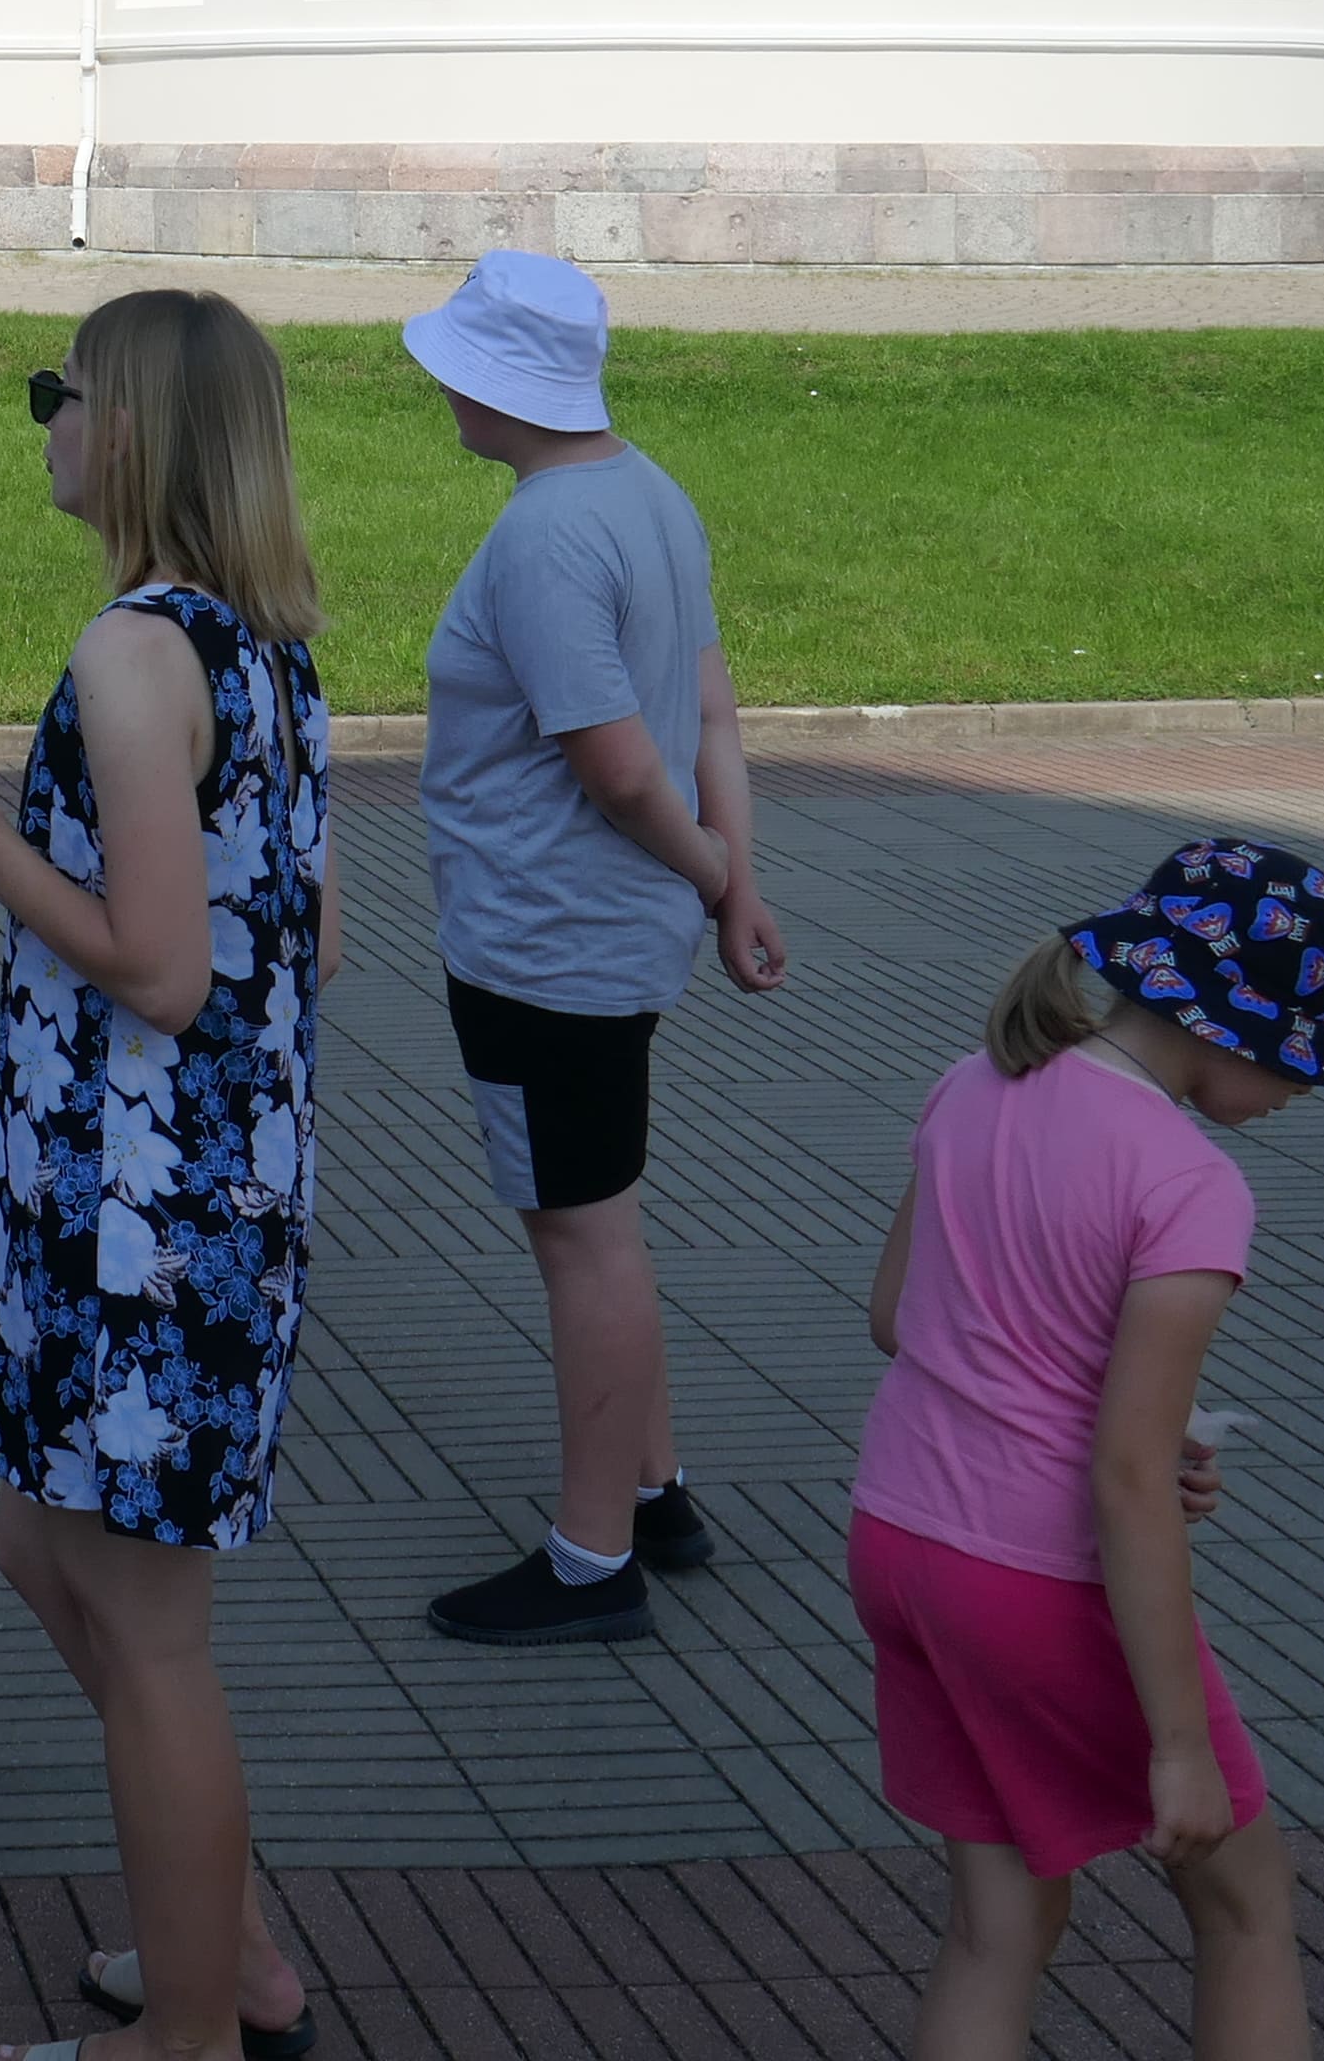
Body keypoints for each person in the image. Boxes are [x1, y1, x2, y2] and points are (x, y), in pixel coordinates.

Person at [0, 288, 329, 2061]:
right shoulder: (266, 643)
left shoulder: (140, 652)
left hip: (147, 1214)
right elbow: (308, 931)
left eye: (60, 388)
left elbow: (164, 967)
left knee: (148, 1636)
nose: (41, 412)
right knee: (35, 1541)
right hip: (162, 1190)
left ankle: (199, 2026)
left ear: (125, 428)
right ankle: (229, 1953)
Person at [857, 841, 1324, 2061]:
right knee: (1247, 1905)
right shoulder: (1192, 1183)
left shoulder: (974, 1082)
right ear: (1246, 1026)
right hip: (1039, 1581)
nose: (1306, 1091)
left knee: (999, 1925)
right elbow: (1126, 1480)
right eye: (1309, 1057)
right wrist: (1180, 1749)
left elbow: (897, 1315)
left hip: (901, 1543)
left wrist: (1100, 1409)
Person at [395, 249, 791, 1650]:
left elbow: (623, 767)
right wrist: (731, 881)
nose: (435, 385)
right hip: (601, 935)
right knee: (601, 1215)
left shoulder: (547, 535)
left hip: (544, 941)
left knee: (583, 1236)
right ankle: (655, 1487)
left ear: (497, 381)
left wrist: (705, 875)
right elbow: (713, 709)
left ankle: (591, 1556)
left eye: (451, 365)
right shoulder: (650, 493)